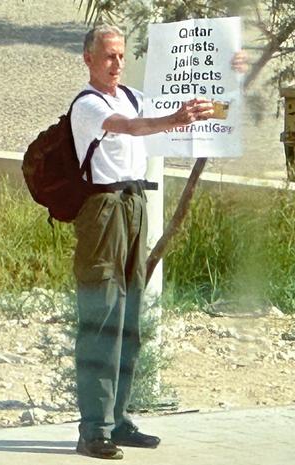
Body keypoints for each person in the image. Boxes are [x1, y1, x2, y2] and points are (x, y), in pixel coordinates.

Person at [69, 24, 226, 460]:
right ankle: (93, 429)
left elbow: (200, 111)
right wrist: (171, 119)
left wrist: (230, 77)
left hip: (135, 202)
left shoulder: (134, 96)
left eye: (120, 56)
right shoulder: (87, 105)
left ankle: (117, 420)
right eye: (108, 56)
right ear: (89, 59)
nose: (116, 63)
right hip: (103, 210)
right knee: (102, 316)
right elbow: (131, 128)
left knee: (131, 313)